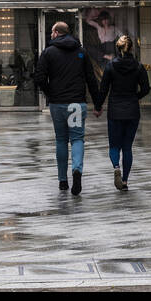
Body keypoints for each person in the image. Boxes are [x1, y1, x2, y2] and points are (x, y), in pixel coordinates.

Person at [35, 20, 100, 195]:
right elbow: (91, 79)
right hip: (77, 104)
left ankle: (63, 180)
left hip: (58, 104)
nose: (50, 35)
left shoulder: (48, 52)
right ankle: (77, 170)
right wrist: (98, 103)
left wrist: (50, 94)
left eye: (51, 31)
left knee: (61, 140)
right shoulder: (81, 51)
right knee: (77, 139)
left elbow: (39, 77)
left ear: (56, 33)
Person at [94, 35, 151, 191]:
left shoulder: (111, 66)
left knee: (114, 145)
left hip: (115, 111)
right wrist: (135, 97)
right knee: (127, 147)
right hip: (132, 110)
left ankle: (116, 167)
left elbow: (104, 89)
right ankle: (125, 181)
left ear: (117, 49)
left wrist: (98, 106)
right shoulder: (139, 67)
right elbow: (146, 89)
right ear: (132, 48)